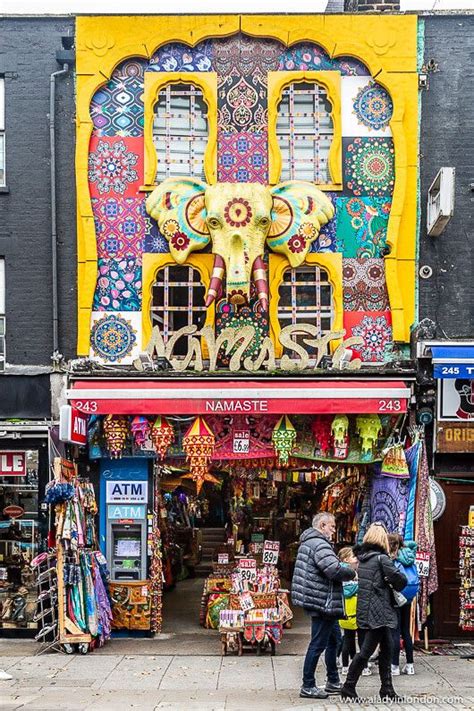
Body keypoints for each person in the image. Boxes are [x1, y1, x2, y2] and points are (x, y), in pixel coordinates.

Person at [292, 512, 357, 699]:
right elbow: (333, 569)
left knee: (334, 640)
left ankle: (333, 681)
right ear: (322, 525)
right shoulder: (320, 544)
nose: (334, 530)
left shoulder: (310, 542)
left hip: (320, 599)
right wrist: (352, 571)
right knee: (318, 643)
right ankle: (308, 685)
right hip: (322, 601)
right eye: (332, 527)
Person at [340, 522, 407, 702]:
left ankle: (387, 689)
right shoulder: (382, 559)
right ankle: (348, 687)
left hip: (367, 608)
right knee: (367, 652)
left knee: (386, 649)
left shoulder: (363, 558)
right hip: (379, 611)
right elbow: (401, 581)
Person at [388, 533, 419, 676]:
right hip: (409, 595)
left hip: (396, 596)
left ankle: (394, 666)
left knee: (395, 631)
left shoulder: (393, 558)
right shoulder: (410, 555)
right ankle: (410, 665)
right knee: (406, 630)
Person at [338, 547, 371, 677]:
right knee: (362, 639)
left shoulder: (338, 571)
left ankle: (346, 666)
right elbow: (350, 590)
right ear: (346, 559)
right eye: (353, 556)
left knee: (347, 638)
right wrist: (359, 585)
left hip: (345, 612)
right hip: (356, 611)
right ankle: (364, 666)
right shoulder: (351, 572)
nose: (356, 559)